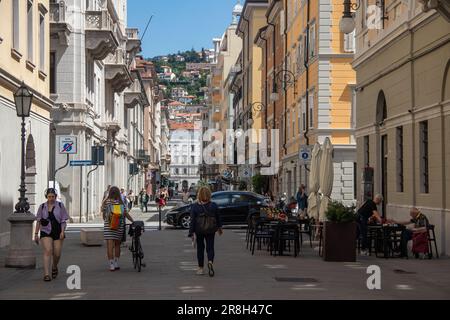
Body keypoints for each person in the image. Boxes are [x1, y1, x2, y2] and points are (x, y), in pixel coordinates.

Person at [35, 188, 69, 282]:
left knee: (57, 253)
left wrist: (62, 231)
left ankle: (54, 266)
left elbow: (63, 220)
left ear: (55, 196)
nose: (51, 198)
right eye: (49, 197)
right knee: (48, 250)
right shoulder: (42, 207)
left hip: (58, 230)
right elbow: (38, 221)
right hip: (45, 231)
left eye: (53, 196)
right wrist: (36, 234)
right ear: (46, 197)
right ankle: (46, 274)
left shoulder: (60, 205)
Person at [188, 187, 223, 277]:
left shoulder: (195, 206)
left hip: (199, 230)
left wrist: (191, 233)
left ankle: (200, 268)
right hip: (211, 229)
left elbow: (192, 221)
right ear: (209, 195)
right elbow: (218, 218)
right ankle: (210, 261)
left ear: (199, 195)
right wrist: (219, 228)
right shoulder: (214, 205)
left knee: (200, 248)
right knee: (210, 247)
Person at [102, 186, 134, 271]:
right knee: (117, 245)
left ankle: (111, 264)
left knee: (109, 246)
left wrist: (106, 219)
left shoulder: (106, 202)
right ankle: (116, 263)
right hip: (119, 226)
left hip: (109, 226)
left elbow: (103, 214)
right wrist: (132, 221)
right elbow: (125, 214)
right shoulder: (120, 203)